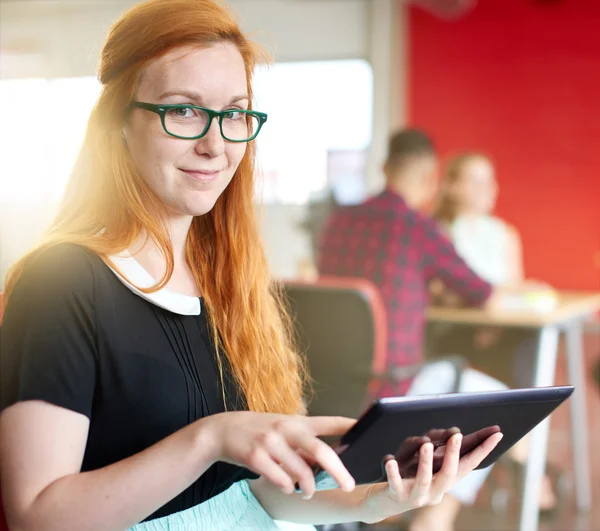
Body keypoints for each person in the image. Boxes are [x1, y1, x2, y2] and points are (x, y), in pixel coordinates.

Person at [0, 2, 502, 531]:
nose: (215, 144)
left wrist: (382, 501)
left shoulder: (225, 283)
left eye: (234, 113)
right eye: (184, 110)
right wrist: (211, 438)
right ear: (118, 123)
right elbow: (39, 515)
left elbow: (250, 498)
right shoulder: (61, 281)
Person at [316, 129, 545, 531]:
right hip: (394, 387)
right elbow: (481, 293)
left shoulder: (338, 220)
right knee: (494, 408)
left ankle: (429, 512)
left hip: (328, 383)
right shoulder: (417, 227)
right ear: (429, 180)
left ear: (385, 167)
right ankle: (436, 518)